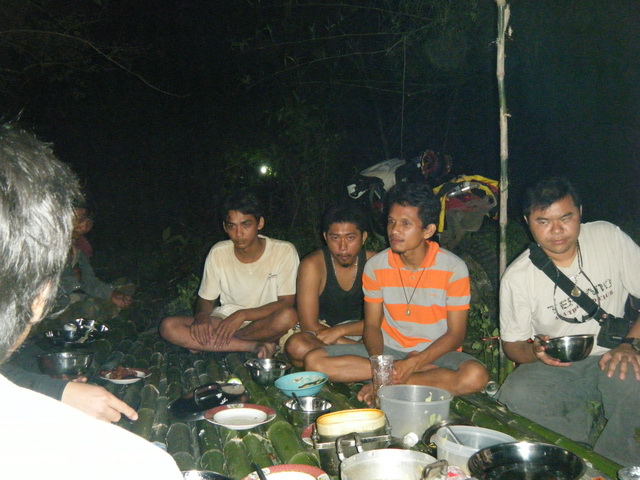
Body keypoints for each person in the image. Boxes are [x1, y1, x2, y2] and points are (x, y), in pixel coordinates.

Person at [0, 125, 182, 478]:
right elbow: (73, 288)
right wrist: (59, 390)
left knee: (116, 290)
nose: (84, 224)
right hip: (65, 307)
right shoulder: (144, 465)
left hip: (58, 309)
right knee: (86, 307)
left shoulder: (78, 252)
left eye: (86, 218)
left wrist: (110, 293)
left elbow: (92, 281)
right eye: (77, 217)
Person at [496, 177, 640, 466]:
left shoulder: (608, 238)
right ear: (527, 222)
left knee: (634, 379)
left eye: (566, 218)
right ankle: (577, 449)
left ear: (580, 213)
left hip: (614, 351)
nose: (557, 231)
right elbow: (512, 346)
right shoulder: (518, 277)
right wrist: (535, 351)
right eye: (543, 221)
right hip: (561, 363)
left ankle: (617, 462)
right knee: (516, 392)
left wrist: (630, 344)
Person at [304, 182, 489, 404]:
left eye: (405, 223)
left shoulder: (453, 268)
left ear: (428, 230)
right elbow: (372, 326)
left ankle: (395, 383)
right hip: (389, 350)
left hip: (436, 354)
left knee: (475, 376)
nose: (394, 230)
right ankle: (405, 379)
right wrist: (381, 366)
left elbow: (456, 334)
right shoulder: (376, 266)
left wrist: (415, 362)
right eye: (391, 222)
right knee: (315, 361)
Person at [160, 192, 299, 358]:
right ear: (225, 227)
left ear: (260, 223)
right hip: (224, 318)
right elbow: (206, 299)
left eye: (246, 225)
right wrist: (201, 318)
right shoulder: (218, 252)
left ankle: (220, 341)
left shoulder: (283, 251)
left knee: (288, 316)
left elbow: (286, 302)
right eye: (232, 226)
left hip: (265, 320)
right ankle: (253, 346)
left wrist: (242, 315)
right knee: (168, 326)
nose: (239, 234)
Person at [284, 204, 375, 367]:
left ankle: (351, 366)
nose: (343, 247)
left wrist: (342, 331)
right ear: (325, 237)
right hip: (322, 335)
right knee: (297, 347)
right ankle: (365, 364)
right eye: (335, 238)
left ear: (363, 237)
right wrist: (358, 348)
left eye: (350, 238)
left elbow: (386, 320)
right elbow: (309, 324)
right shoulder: (313, 265)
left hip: (363, 332)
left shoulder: (376, 263)